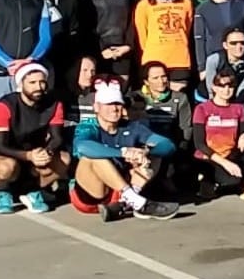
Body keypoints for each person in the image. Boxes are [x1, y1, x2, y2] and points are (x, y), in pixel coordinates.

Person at [67, 79, 182, 221]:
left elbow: (167, 145)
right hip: (92, 193)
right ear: (96, 107)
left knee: (154, 155)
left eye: (118, 104)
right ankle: (139, 203)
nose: (114, 108)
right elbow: (82, 146)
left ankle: (125, 204)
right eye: (108, 104)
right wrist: (123, 152)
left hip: (118, 191)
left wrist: (145, 153)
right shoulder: (88, 127)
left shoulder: (133, 127)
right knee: (92, 157)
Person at [0, 61, 69, 213]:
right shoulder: (4, 105)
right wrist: (29, 156)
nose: (38, 87)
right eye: (32, 83)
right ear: (21, 84)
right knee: (6, 167)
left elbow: (57, 137)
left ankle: (33, 190)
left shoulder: (54, 104)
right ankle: (3, 192)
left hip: (36, 153)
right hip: (8, 154)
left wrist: (47, 152)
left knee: (64, 159)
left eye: (42, 82)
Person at [192, 71, 244, 202]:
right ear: (214, 88)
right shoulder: (202, 109)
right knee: (230, 181)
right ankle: (208, 180)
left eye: (231, 86)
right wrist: (225, 164)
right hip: (209, 157)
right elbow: (199, 143)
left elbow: (243, 130)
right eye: (222, 86)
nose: (226, 90)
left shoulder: (238, 108)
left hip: (230, 153)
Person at [133, 0, 195, 92]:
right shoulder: (144, 5)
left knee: (177, 100)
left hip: (179, 59)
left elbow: (186, 29)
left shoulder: (186, 3)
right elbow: (142, 36)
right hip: (154, 59)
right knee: (157, 101)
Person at [193, 0, 244, 79]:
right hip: (215, 62)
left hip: (239, 62)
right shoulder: (203, 9)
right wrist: (202, 67)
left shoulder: (241, 6)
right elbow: (200, 40)